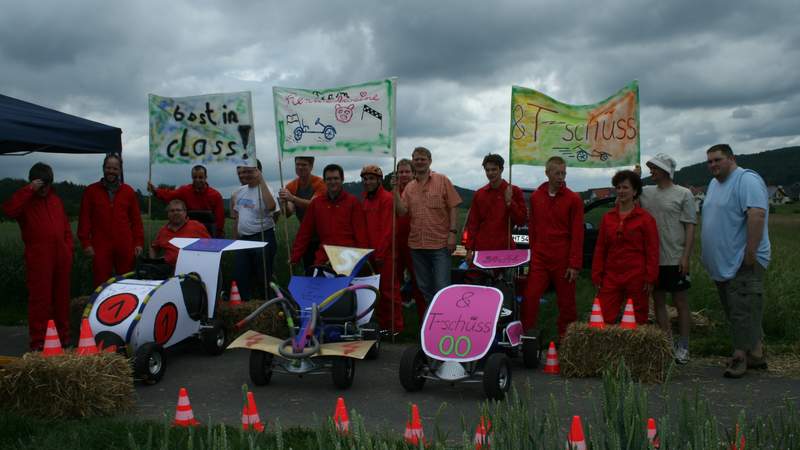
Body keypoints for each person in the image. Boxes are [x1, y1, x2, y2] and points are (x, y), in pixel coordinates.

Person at [701, 144, 770, 378]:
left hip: (743, 258)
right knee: (737, 308)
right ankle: (757, 353)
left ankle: (740, 357)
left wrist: (750, 252)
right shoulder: (714, 184)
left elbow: (757, 214)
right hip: (724, 261)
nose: (713, 165)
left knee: (742, 308)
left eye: (717, 160)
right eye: (709, 161)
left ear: (732, 158)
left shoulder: (746, 180)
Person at [2, 163, 73, 351]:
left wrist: (68, 250)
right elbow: (9, 210)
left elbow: (65, 227)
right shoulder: (25, 201)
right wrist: (29, 190)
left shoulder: (56, 200)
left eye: (47, 185)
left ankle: (63, 338)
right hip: (39, 258)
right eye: (41, 185)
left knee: (62, 299)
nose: (44, 189)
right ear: (33, 182)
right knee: (40, 301)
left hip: (61, 258)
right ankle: (38, 342)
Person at [639, 153, 697, 364]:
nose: (651, 171)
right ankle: (667, 343)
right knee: (659, 300)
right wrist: (635, 177)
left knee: (680, 301)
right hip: (653, 258)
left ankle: (684, 345)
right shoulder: (645, 192)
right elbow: (625, 195)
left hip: (675, 257)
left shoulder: (683, 194)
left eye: (654, 168)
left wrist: (686, 256)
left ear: (665, 170)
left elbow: (690, 226)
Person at [522, 156, 584, 337]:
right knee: (530, 298)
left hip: (563, 257)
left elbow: (577, 234)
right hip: (540, 256)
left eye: (563, 173)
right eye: (557, 173)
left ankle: (567, 341)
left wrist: (574, 264)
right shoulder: (536, 197)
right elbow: (532, 228)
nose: (561, 177)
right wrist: (532, 254)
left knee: (567, 303)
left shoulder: (574, 199)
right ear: (547, 173)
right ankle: (528, 337)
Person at [395, 147, 462, 304]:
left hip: (440, 245)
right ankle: (431, 321)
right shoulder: (410, 187)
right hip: (417, 246)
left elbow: (453, 206)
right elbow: (402, 212)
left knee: (441, 287)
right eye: (416, 159)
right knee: (424, 287)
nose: (419, 162)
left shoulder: (442, 180)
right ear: (413, 161)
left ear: (430, 161)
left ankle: (446, 321)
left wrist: (453, 233)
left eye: (423, 159)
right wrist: (395, 192)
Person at [592, 170, 659, 325]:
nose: (621, 191)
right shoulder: (607, 218)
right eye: (618, 187)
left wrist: (650, 277)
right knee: (602, 318)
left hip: (637, 276)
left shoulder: (646, 219)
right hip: (611, 275)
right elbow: (601, 248)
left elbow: (652, 250)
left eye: (625, 187)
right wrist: (597, 274)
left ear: (635, 191)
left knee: (636, 320)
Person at [78, 153, 144, 288]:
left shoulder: (128, 191)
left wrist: (138, 243)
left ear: (120, 170)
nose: (111, 172)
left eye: (115, 169)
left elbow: (136, 221)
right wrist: (86, 243)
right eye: (108, 168)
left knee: (126, 282)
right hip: (100, 245)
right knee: (101, 283)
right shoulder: (91, 191)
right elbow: (84, 219)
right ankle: (100, 307)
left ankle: (126, 308)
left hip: (125, 244)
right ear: (103, 168)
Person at [291, 164, 368, 268]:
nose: (332, 182)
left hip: (348, 258)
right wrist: (295, 256)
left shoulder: (353, 202)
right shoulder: (316, 204)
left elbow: (361, 234)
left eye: (336, 178)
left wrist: (362, 259)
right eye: (329, 179)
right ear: (324, 181)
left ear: (342, 179)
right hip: (324, 257)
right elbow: (305, 232)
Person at [361, 164, 403, 333]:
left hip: (385, 255)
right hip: (369, 254)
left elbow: (389, 229)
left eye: (371, 178)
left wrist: (381, 252)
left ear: (379, 180)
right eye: (365, 179)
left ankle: (395, 327)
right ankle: (381, 326)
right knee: (372, 292)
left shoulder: (387, 198)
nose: (367, 182)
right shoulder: (364, 199)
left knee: (389, 292)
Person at [464, 153, 526, 259]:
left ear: (501, 169)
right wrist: (469, 249)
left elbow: (521, 220)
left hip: (505, 248)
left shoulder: (514, 191)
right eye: (487, 170)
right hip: (482, 248)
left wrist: (510, 202)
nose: (490, 173)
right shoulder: (479, 194)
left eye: (494, 169)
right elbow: (473, 224)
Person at [231, 159, 278, 301]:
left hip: (262, 236)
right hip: (244, 239)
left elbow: (271, 207)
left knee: (263, 276)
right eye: (241, 172)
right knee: (241, 274)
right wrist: (235, 241)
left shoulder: (266, 189)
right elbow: (237, 218)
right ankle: (246, 304)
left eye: (248, 171)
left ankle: (269, 303)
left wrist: (261, 180)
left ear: (257, 171)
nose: (244, 175)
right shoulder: (238, 193)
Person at [147, 165, 225, 237]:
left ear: (206, 177)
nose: (197, 180)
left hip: (210, 234)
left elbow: (220, 219)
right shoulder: (185, 190)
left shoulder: (215, 195)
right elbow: (169, 195)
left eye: (200, 177)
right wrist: (155, 191)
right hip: (189, 233)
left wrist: (217, 236)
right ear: (192, 177)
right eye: (195, 177)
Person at [393, 159, 426, 320]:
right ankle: (395, 321)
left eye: (407, 171)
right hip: (396, 243)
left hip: (415, 243)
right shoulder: (391, 193)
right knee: (394, 282)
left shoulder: (419, 191)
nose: (404, 174)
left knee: (419, 283)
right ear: (397, 174)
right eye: (401, 172)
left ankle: (423, 320)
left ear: (413, 173)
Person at [279, 156, 326, 269]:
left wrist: (293, 198)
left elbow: (314, 205)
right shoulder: (291, 186)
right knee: (309, 268)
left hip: (324, 234)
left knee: (325, 269)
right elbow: (288, 213)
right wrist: (283, 203)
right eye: (298, 164)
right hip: (307, 237)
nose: (300, 167)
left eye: (304, 164)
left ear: (311, 166)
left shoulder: (320, 183)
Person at [149, 199, 210, 266]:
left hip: (192, 268)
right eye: (172, 211)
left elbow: (210, 246)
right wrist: (153, 263)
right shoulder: (163, 231)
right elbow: (154, 248)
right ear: (168, 214)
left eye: (178, 210)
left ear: (185, 212)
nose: (175, 213)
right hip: (168, 269)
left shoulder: (197, 226)